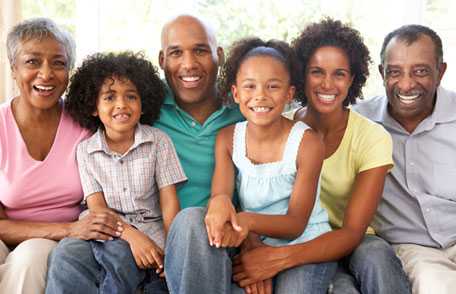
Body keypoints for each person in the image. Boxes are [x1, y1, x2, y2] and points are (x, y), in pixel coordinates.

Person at [218, 18, 409, 294]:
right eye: (317, 72)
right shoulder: (273, 124)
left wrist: (277, 259)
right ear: (300, 77)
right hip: (283, 236)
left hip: (349, 241)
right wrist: (252, 243)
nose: (327, 84)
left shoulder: (372, 137)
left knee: (377, 255)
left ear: (352, 79)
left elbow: (351, 232)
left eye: (339, 74)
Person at [46, 52, 186, 293]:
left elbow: (170, 205)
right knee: (69, 253)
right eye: (109, 97)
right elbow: (98, 209)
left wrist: (174, 253)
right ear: (93, 107)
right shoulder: (86, 150)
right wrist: (131, 236)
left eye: (131, 96)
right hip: (107, 231)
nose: (121, 104)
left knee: (148, 275)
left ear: (143, 105)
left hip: (151, 231)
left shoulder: (159, 142)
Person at [0, 18, 122, 294]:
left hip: (59, 244)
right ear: (13, 69)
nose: (46, 74)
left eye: (58, 63)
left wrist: (70, 231)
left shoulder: (86, 124)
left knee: (30, 257)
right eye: (32, 62)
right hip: (37, 232)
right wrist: (67, 229)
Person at [204, 37, 335, 293]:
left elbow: (296, 223)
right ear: (236, 93)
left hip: (304, 242)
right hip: (251, 237)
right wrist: (220, 204)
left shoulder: (308, 144)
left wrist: (246, 222)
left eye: (273, 86)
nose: (260, 96)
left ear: (289, 93)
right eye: (249, 86)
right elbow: (221, 194)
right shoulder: (227, 139)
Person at [354, 24, 455, 294]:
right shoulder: (357, 121)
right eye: (395, 72)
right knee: (439, 288)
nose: (407, 84)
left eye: (420, 71)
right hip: (414, 249)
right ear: (382, 73)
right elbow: (296, 113)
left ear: (440, 71)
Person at [154, 14, 244, 208]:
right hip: (159, 232)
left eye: (200, 51)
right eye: (176, 53)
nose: (189, 64)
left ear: (219, 56)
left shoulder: (246, 107)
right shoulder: (144, 107)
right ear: (162, 60)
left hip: (229, 230)